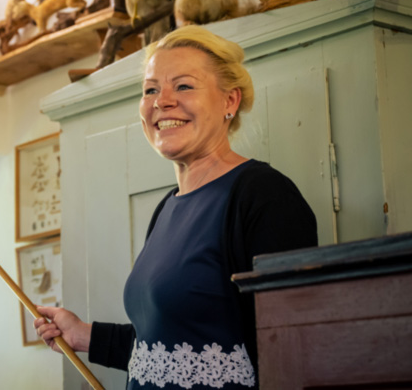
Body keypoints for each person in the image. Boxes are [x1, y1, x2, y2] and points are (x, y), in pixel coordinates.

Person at [34, 26, 318, 389]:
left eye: (183, 86)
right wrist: (83, 335)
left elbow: (292, 351)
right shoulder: (167, 208)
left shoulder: (264, 195)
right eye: (150, 89)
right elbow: (167, 348)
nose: (161, 101)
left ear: (229, 101)